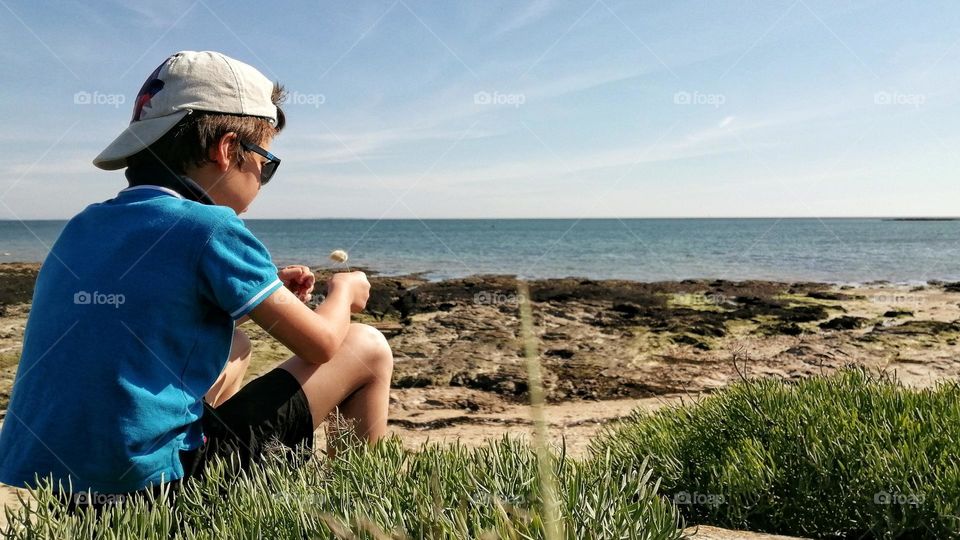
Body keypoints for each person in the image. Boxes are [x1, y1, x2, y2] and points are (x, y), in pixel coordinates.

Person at [0, 51, 393, 507]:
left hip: (66, 488)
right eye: (266, 163)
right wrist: (343, 291)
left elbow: (149, 313)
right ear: (227, 150)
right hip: (155, 488)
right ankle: (357, 508)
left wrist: (255, 295)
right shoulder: (211, 226)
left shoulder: (84, 224)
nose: (263, 179)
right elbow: (322, 344)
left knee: (236, 347)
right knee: (366, 347)